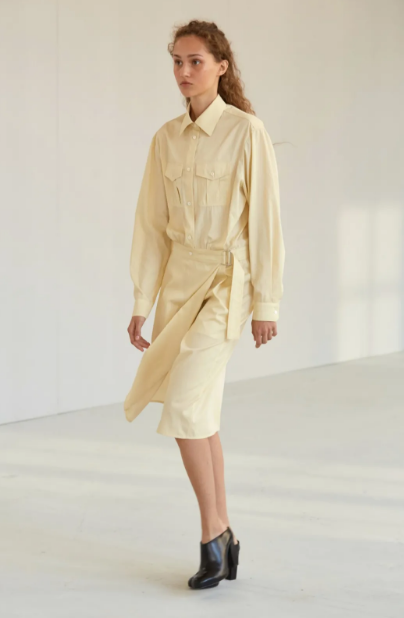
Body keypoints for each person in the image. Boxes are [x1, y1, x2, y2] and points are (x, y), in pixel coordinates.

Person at [124, 20, 285, 590]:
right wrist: (142, 300)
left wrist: (266, 303)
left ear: (221, 65)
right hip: (179, 284)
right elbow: (150, 226)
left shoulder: (246, 131)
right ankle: (225, 536)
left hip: (227, 281)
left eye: (196, 61)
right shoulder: (164, 139)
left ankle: (212, 535)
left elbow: (266, 221)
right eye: (177, 61)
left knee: (186, 405)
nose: (184, 72)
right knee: (201, 413)